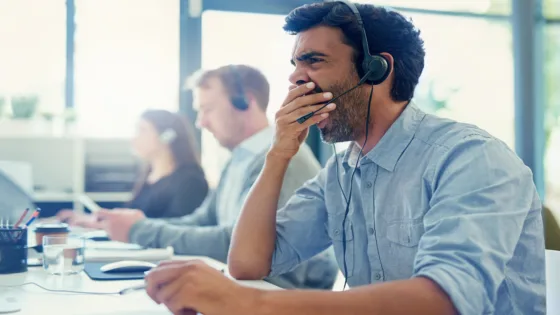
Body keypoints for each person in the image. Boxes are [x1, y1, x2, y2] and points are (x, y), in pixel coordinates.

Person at [143, 2, 546, 315]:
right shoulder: (341, 171)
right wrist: (279, 152)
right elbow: (249, 263)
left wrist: (249, 304)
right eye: (295, 64)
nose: (295, 78)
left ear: (376, 70)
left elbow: (443, 301)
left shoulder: (471, 159)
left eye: (313, 61)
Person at [97, 64, 338, 290]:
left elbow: (235, 244)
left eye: (207, 109)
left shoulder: (285, 158)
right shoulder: (238, 158)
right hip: (250, 286)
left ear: (245, 103)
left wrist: (142, 231)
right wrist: (139, 224)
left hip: (283, 293)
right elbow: (205, 219)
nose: (201, 122)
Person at [57, 109, 208, 225]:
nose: (135, 138)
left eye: (142, 130)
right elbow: (132, 219)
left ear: (166, 136)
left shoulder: (190, 180)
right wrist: (91, 220)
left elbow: (175, 228)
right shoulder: (149, 175)